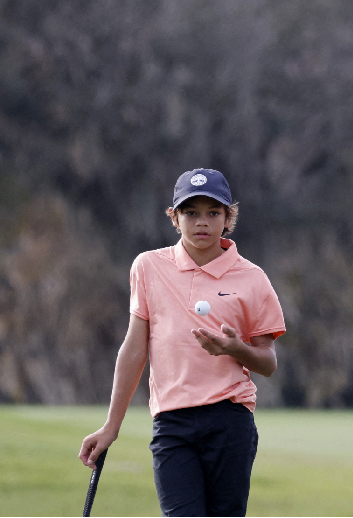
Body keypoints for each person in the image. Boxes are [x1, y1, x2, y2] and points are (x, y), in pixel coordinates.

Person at [79, 168, 285, 516]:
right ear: (174, 217)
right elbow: (134, 347)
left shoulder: (252, 278)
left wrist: (237, 349)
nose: (201, 222)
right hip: (171, 424)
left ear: (228, 218)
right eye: (191, 212)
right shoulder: (148, 267)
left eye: (213, 213)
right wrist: (111, 427)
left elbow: (267, 362)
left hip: (229, 420)